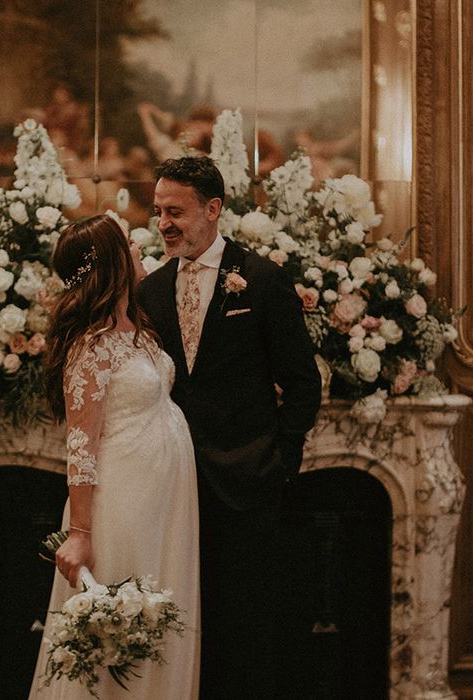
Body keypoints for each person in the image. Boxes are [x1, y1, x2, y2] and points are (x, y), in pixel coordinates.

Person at [137, 156, 322, 698]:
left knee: (247, 624)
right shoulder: (150, 290)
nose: (163, 223)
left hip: (248, 480)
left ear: (213, 209)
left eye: (176, 211)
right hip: (173, 486)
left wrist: (279, 460)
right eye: (158, 212)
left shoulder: (262, 279)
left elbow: (302, 384)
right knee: (179, 617)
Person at [28, 215, 200, 699]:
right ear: (112, 262)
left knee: (162, 625)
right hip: (122, 505)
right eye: (128, 242)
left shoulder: (140, 330)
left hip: (165, 502)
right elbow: (80, 447)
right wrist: (80, 534)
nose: (139, 245)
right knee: (121, 636)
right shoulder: (92, 347)